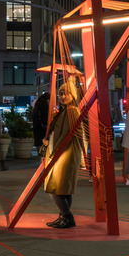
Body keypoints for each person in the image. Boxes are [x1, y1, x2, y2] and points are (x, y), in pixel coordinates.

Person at [42, 81, 85, 229]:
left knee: (55, 187)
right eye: (60, 93)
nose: (62, 96)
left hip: (65, 153)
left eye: (66, 93)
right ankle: (63, 216)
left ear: (72, 95)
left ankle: (67, 217)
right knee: (63, 188)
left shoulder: (71, 111)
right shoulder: (65, 110)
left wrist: (55, 152)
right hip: (61, 153)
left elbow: (66, 134)